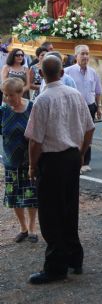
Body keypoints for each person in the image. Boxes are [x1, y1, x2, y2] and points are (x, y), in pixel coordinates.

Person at [25, 55, 95, 284]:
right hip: (72, 157)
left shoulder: (43, 100)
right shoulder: (75, 95)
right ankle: (75, 258)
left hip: (52, 160)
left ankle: (56, 266)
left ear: (42, 74)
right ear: (63, 73)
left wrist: (33, 166)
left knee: (50, 213)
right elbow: (89, 128)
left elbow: (35, 140)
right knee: (69, 207)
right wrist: (82, 152)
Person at [0, 78, 38, 243]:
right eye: (5, 95)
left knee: (31, 195)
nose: (8, 99)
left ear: (20, 92)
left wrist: (34, 161)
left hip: (29, 160)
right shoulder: (3, 110)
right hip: (10, 161)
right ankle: (22, 228)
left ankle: (32, 228)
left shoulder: (32, 108)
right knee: (14, 195)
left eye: (11, 95)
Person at [64, 45, 102, 172]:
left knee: (88, 134)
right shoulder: (67, 71)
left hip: (90, 106)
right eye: (82, 54)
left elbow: (97, 91)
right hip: (74, 108)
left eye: (87, 54)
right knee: (75, 135)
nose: (85, 56)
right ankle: (75, 162)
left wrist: (99, 107)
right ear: (76, 56)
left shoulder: (93, 72)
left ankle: (86, 161)